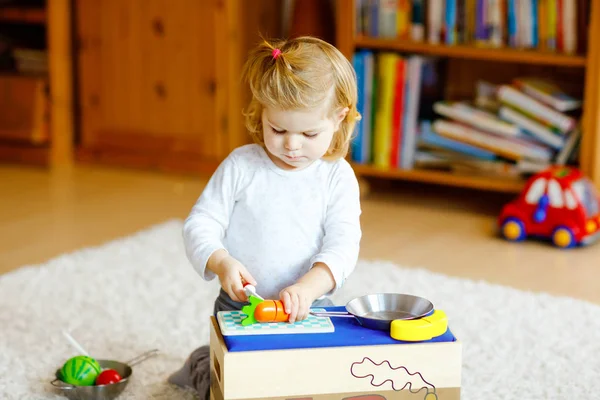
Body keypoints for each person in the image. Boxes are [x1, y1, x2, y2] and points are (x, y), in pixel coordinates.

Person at [168, 35, 362, 399]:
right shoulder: (242, 166)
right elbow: (201, 223)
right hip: (242, 305)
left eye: (308, 133)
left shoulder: (336, 177)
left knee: (313, 387)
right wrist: (222, 262)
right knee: (235, 388)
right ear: (262, 112)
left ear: (338, 119)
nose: (291, 145)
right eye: (278, 129)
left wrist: (309, 287)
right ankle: (201, 364)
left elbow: (343, 245)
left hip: (312, 306)